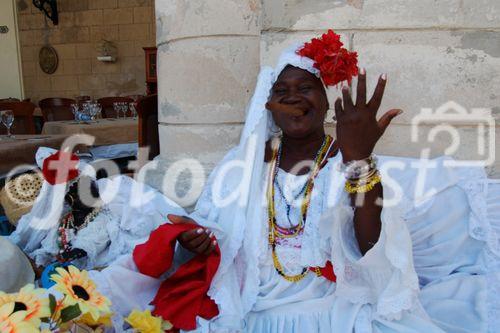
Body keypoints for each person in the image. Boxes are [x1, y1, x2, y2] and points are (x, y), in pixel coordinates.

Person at [91, 30, 500, 332]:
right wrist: (199, 238)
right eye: (282, 90)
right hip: (250, 307)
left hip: (333, 310)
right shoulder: (243, 164)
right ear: (267, 105)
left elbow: (371, 249)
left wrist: (359, 159)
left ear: (324, 101)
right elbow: (217, 230)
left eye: (306, 87)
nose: (293, 97)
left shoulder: (344, 162)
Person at [8, 147, 186, 273]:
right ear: (70, 199)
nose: (93, 191)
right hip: (60, 270)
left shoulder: (101, 218)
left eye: (92, 187)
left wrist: (76, 251)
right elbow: (50, 244)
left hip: (83, 269)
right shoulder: (65, 221)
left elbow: (94, 240)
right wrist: (46, 256)